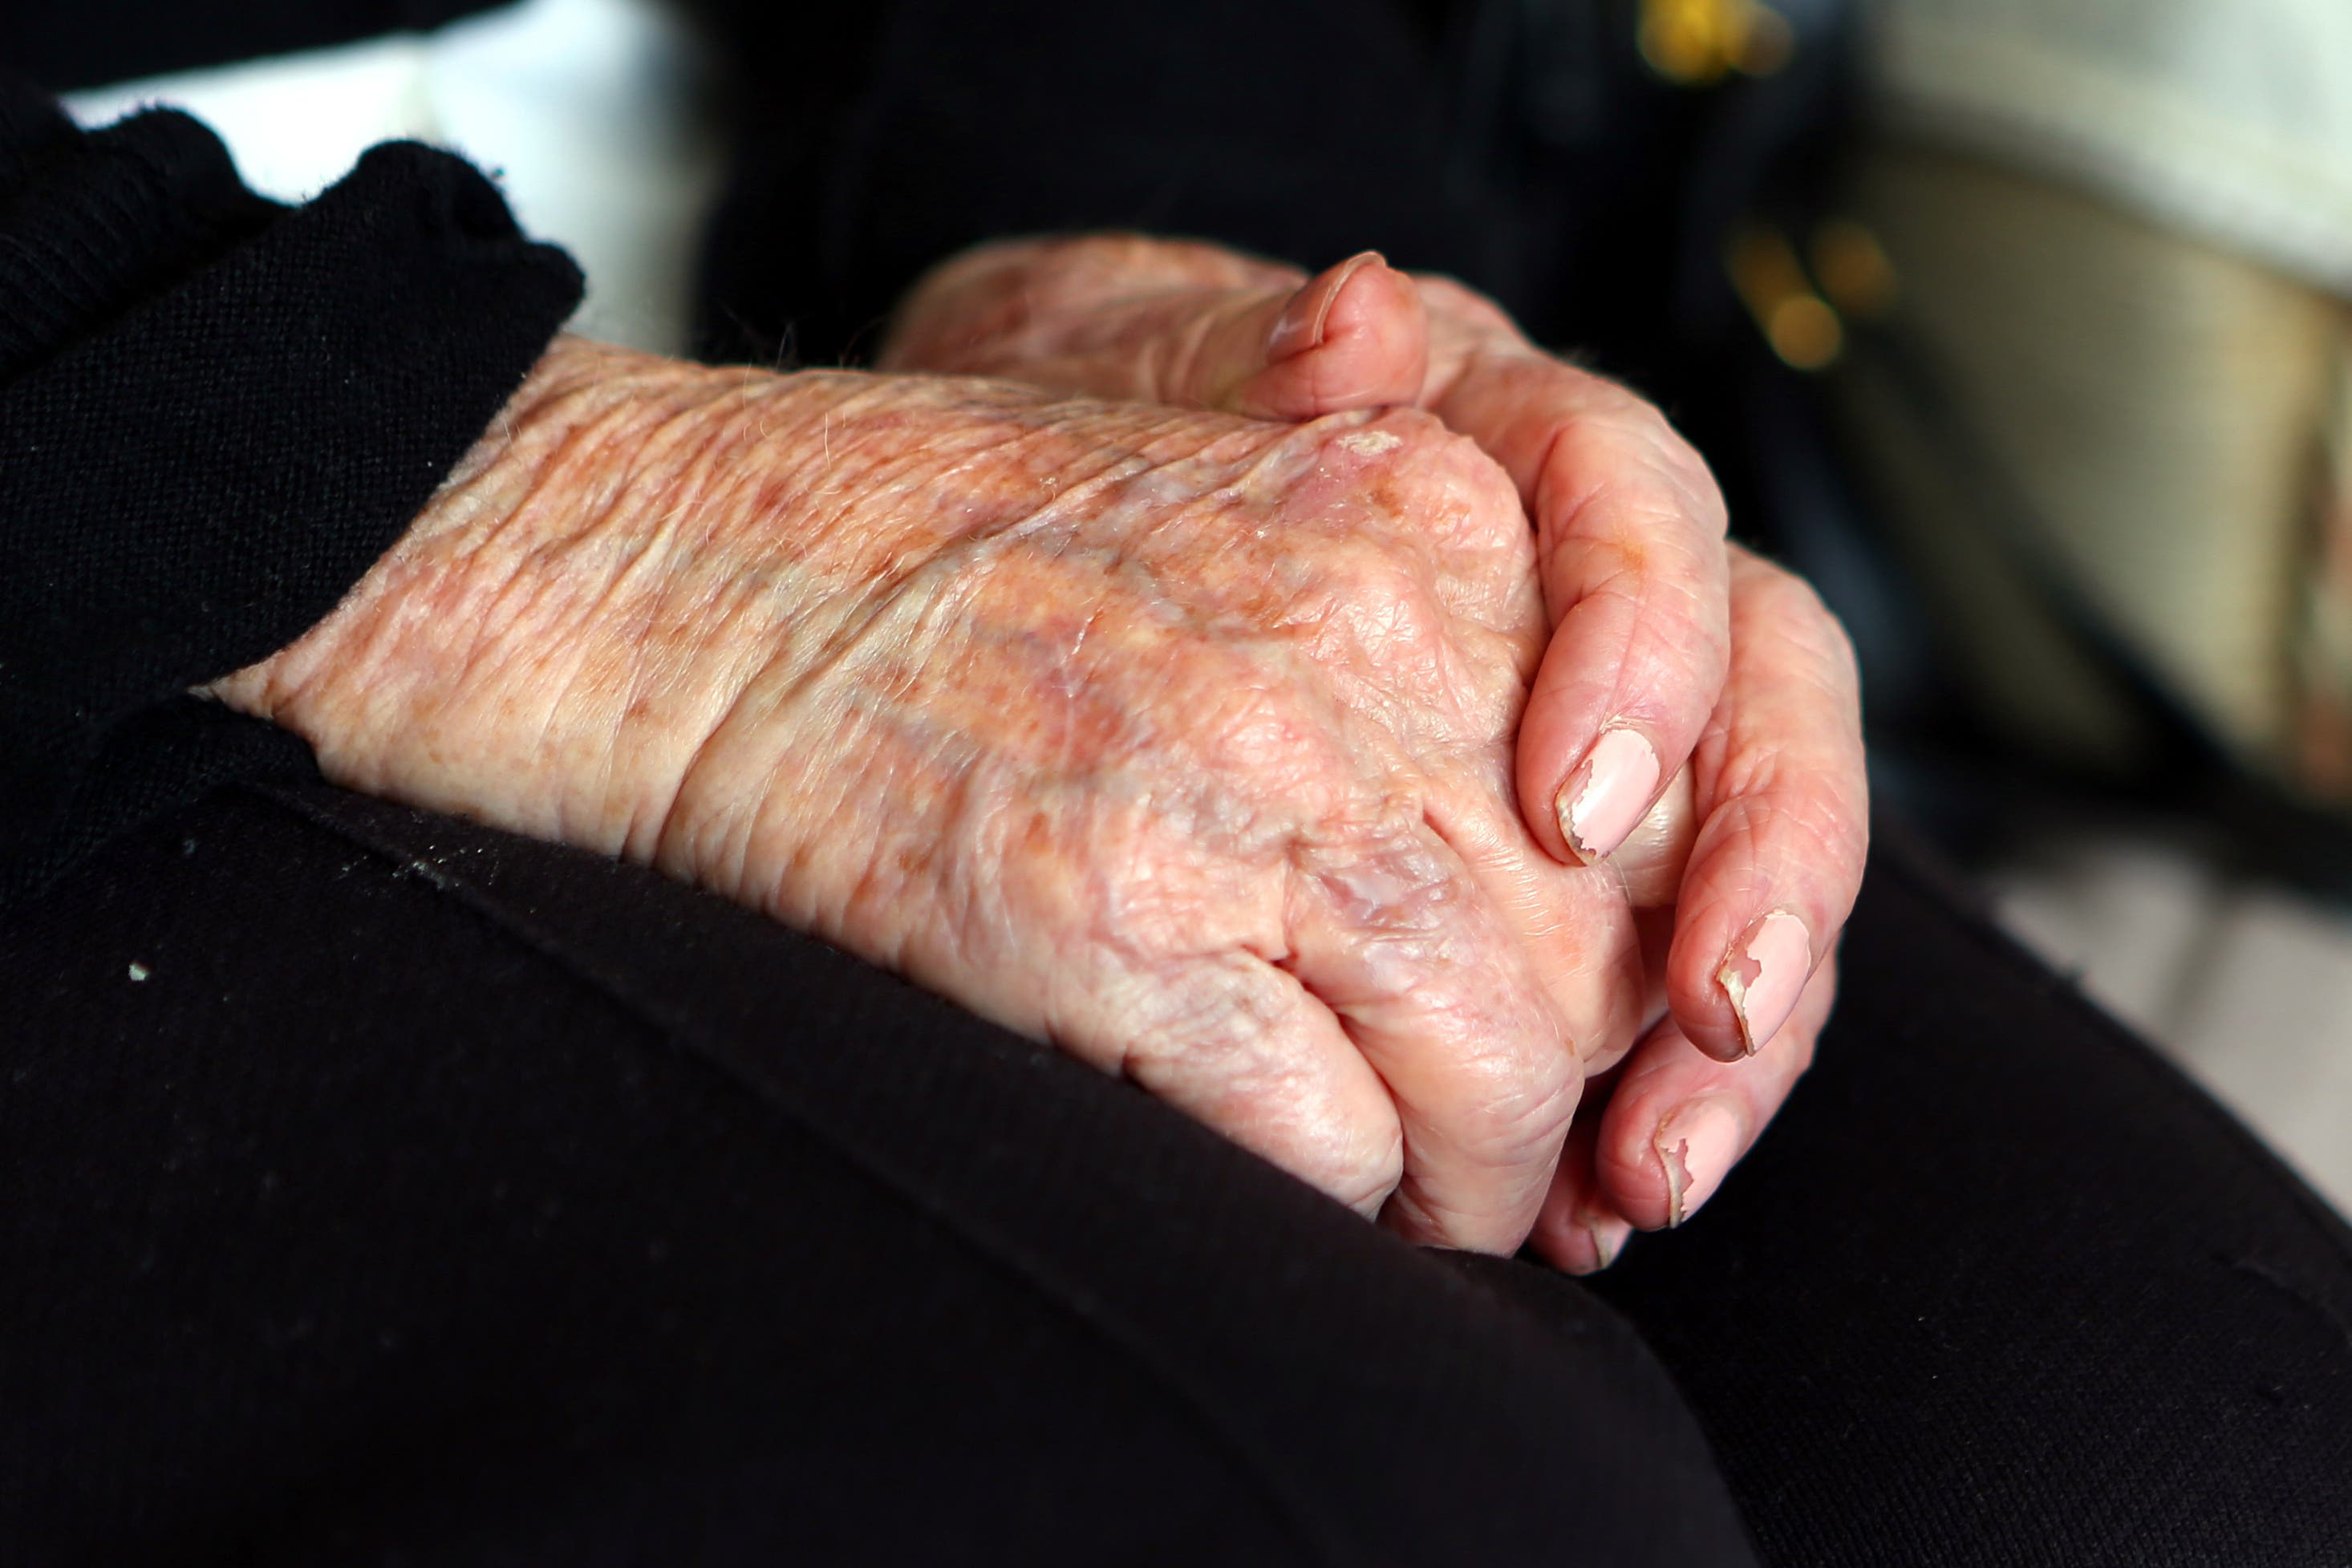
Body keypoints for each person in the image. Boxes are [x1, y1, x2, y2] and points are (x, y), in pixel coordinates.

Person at [4, 2, 2348, 1563]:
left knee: (2197, 1457)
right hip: (99, 479)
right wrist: (523, 523)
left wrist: (1103, 249)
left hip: (734, 207)